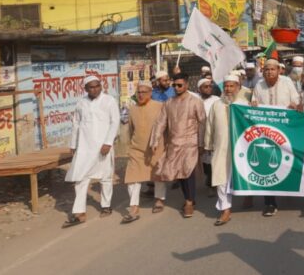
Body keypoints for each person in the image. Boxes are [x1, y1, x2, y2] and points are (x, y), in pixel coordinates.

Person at [63, 76, 121, 227]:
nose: (95, 89)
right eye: (91, 87)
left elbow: (115, 122)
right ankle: (79, 213)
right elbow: (76, 124)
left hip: (103, 146)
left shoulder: (109, 101)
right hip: (85, 147)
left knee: (106, 177)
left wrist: (108, 142)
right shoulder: (81, 103)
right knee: (80, 179)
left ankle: (106, 206)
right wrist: (74, 144)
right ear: (85, 89)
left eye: (97, 86)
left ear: (101, 86)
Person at [149, 73, 206, 219]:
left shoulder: (195, 101)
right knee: (179, 174)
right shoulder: (169, 102)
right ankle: (190, 198)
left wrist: (201, 143)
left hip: (190, 143)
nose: (176, 87)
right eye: (174, 85)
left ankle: (188, 202)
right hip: (174, 143)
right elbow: (161, 122)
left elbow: (202, 123)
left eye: (180, 85)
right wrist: (155, 141)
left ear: (186, 85)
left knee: (188, 173)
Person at [251, 59, 301, 216]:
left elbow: (296, 100)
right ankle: (270, 203)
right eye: (266, 69)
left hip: (286, 130)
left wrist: (295, 105)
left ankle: (289, 190)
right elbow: (254, 102)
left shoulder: (287, 82)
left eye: (272, 69)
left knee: (288, 162)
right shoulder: (259, 85)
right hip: (266, 131)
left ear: (279, 70)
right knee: (267, 166)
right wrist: (252, 105)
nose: (269, 72)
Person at [205, 75, 250, 226]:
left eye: (232, 86)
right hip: (221, 147)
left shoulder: (244, 104)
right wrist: (208, 145)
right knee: (220, 178)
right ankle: (225, 209)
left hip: (241, 148)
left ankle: (248, 196)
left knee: (243, 175)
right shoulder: (216, 105)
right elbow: (209, 126)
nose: (228, 89)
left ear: (238, 87)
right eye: (226, 86)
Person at [121, 82, 166, 223]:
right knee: (132, 177)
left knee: (157, 174)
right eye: (138, 92)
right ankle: (134, 207)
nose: (140, 95)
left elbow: (165, 127)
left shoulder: (160, 107)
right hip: (137, 149)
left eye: (144, 92)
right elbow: (131, 130)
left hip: (156, 147)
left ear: (150, 93)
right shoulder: (132, 109)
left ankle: (159, 199)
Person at [198, 78, 221, 191]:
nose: (209, 88)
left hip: (213, 132)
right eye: (205, 87)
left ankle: (213, 182)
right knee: (204, 159)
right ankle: (208, 178)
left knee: (213, 158)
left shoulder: (216, 99)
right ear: (200, 89)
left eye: (210, 86)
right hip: (199, 132)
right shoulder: (196, 100)